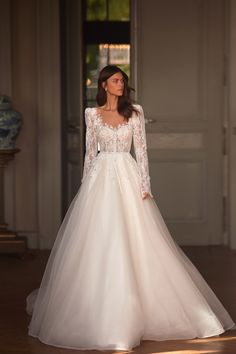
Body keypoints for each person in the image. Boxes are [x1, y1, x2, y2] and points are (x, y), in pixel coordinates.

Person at [26, 65, 235, 351]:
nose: (120, 84)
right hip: (100, 178)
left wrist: (145, 185)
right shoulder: (92, 114)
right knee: (100, 240)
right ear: (103, 85)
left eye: (122, 80)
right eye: (115, 81)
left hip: (128, 174)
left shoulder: (134, 112)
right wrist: (86, 186)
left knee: (138, 239)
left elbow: (142, 151)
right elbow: (89, 153)